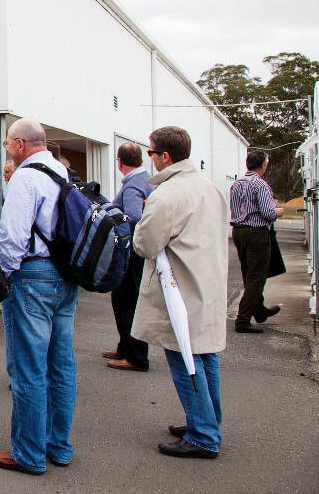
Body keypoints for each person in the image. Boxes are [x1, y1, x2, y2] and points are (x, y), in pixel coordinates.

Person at [0, 118, 77, 476]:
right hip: (66, 276)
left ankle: (28, 453)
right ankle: (59, 445)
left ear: (21, 144)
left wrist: (3, 277)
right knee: (61, 365)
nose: (8, 149)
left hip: (33, 275)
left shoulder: (25, 176)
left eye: (9, 143)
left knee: (28, 368)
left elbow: (13, 236)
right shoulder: (62, 173)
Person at [132, 126, 229, 459]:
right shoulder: (210, 188)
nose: (151, 159)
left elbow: (146, 244)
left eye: (151, 153)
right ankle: (206, 421)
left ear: (165, 156)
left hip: (180, 289)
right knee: (204, 356)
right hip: (207, 283)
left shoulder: (168, 194)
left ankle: (203, 435)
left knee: (184, 357)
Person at [102, 143, 155, 372]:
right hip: (138, 252)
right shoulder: (146, 179)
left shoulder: (133, 183)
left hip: (131, 252)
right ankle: (125, 347)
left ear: (120, 162)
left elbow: (133, 216)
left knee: (126, 301)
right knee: (123, 299)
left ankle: (136, 356)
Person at [229, 150, 285, 333]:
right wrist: (278, 211)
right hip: (256, 233)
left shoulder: (236, 184)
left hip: (238, 231)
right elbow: (268, 213)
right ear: (263, 165)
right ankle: (243, 319)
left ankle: (259, 310)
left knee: (248, 273)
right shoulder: (260, 185)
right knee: (257, 277)